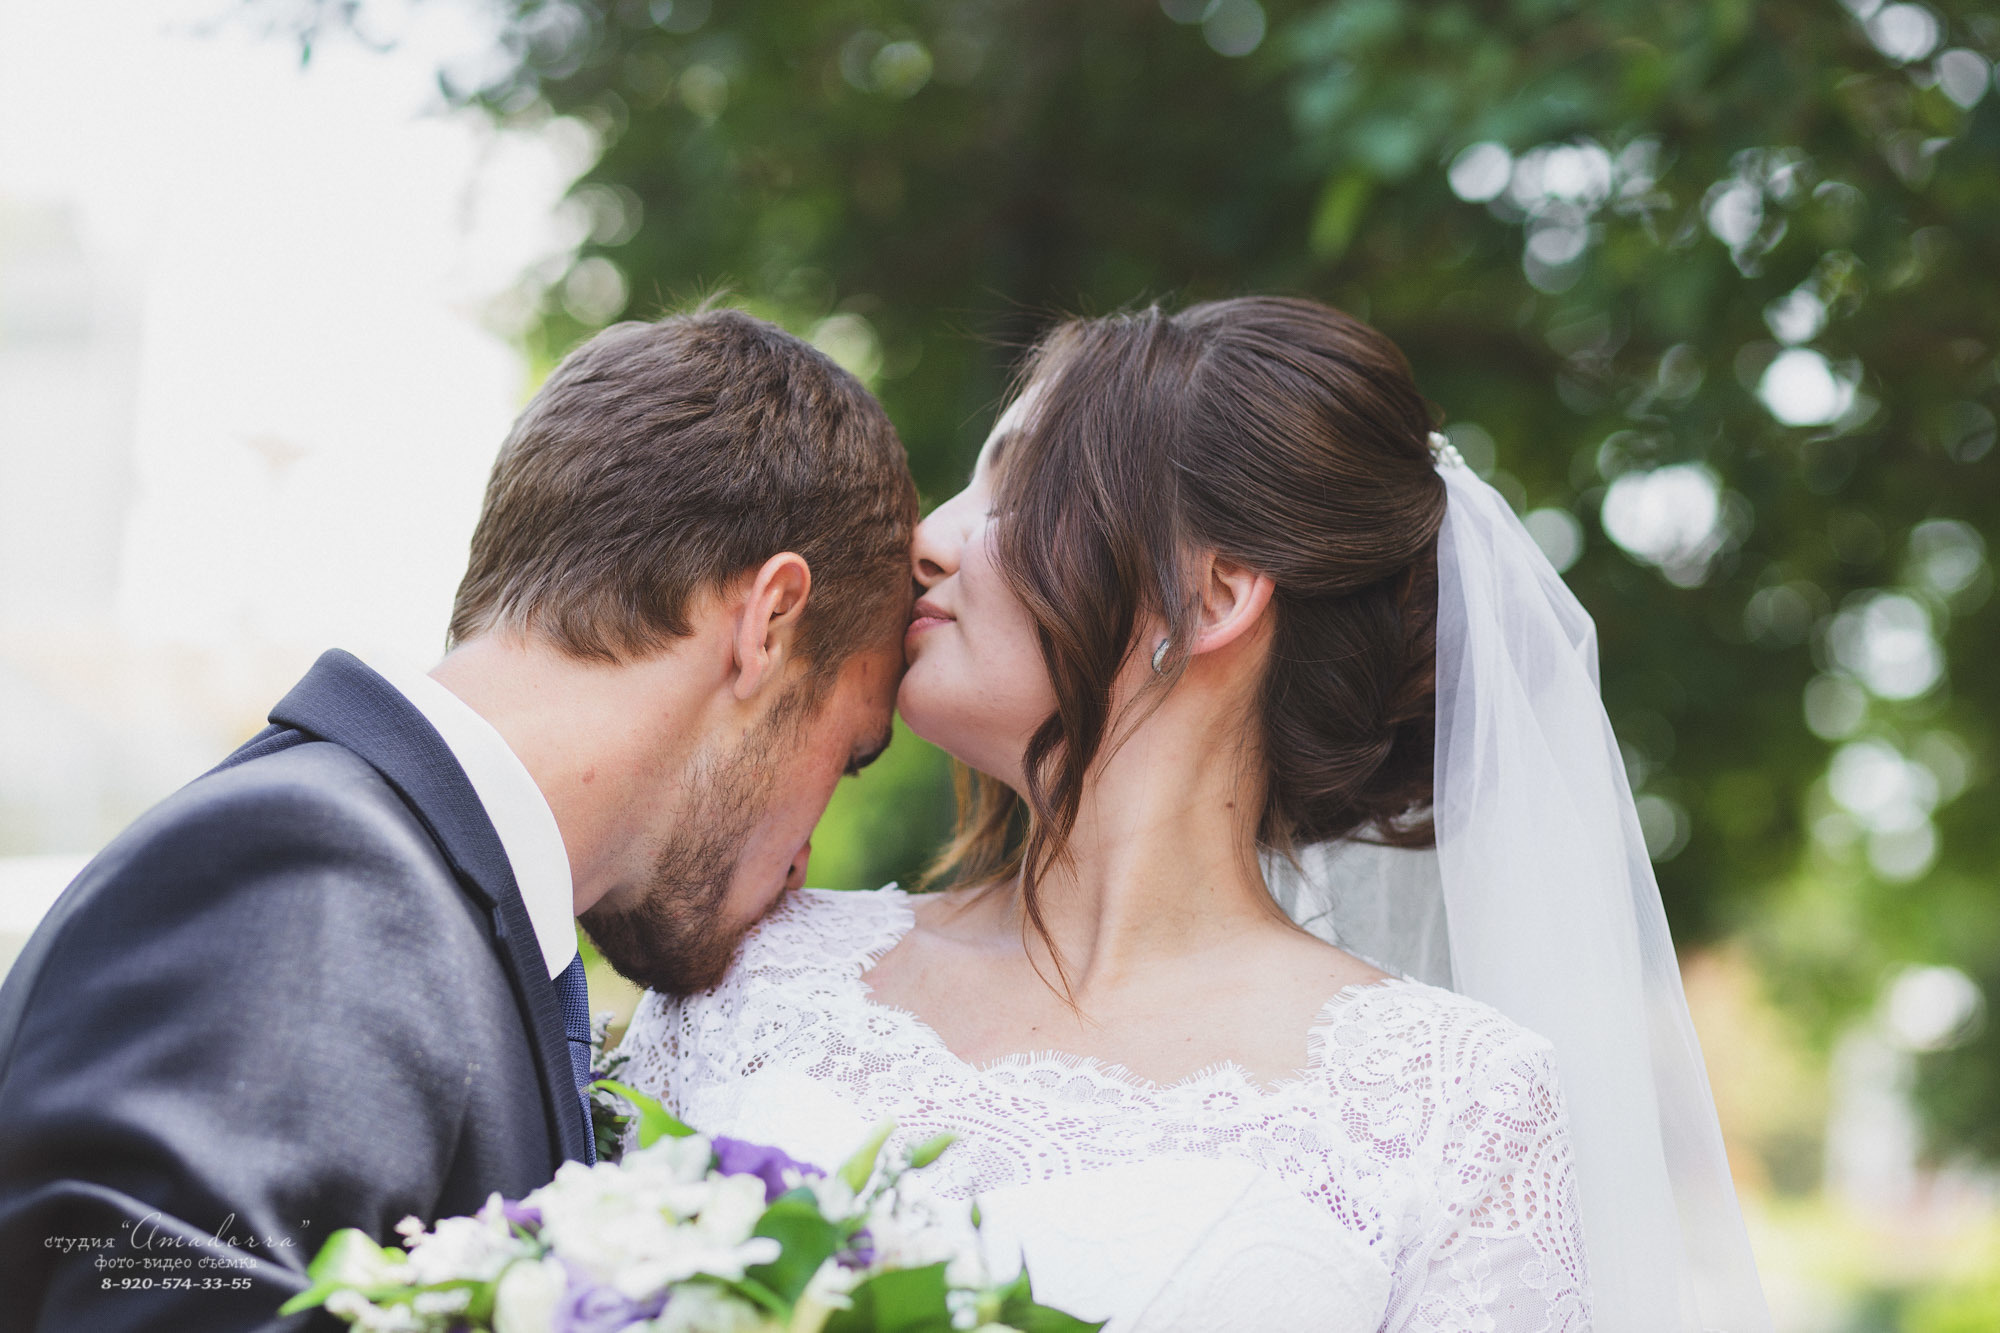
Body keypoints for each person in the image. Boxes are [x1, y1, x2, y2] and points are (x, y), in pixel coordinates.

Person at [619, 297, 1772, 1331]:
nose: (928, 537)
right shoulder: (753, 976)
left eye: (1011, 488)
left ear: (1210, 594)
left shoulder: (1451, 1105)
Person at [0, 308, 917, 1331]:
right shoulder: (312, 877)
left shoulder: (413, 896)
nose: (801, 861)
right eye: (850, 751)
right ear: (769, 621)